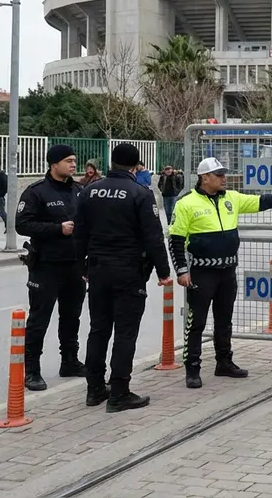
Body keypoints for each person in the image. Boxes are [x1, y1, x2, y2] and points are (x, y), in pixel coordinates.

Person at [168, 157, 272, 389]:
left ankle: (224, 362)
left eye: (224, 174)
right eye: (219, 175)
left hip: (227, 271)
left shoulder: (232, 198)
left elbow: (262, 201)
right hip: (202, 273)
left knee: (224, 320)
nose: (225, 178)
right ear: (205, 178)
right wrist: (182, 270)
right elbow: (175, 240)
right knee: (196, 323)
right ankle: (192, 368)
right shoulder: (186, 203)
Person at [74, 143, 172, 412]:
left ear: (112, 162)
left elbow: (79, 233)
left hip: (97, 270)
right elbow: (153, 238)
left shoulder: (89, 191)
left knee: (98, 329)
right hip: (128, 271)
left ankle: (94, 389)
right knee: (125, 333)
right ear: (136, 165)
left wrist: (81, 267)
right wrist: (163, 272)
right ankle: (119, 392)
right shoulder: (140, 193)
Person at [17, 144, 85, 391]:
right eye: (68, 160)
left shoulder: (80, 190)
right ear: (54, 164)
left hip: (75, 266)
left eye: (74, 160)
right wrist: (58, 229)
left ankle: (69, 361)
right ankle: (32, 370)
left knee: (71, 317)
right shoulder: (36, 192)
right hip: (46, 266)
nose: (73, 164)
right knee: (39, 319)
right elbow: (22, 224)